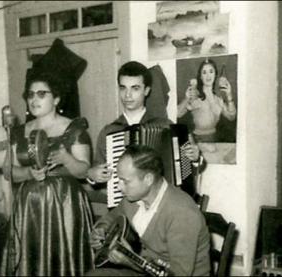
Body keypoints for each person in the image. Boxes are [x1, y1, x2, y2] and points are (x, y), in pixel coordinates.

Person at [0, 72, 94, 276]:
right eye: (30, 94)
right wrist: (28, 173)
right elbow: (9, 172)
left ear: (57, 98)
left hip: (65, 206)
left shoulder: (74, 129)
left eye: (41, 94)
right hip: (29, 209)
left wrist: (66, 159)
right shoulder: (17, 131)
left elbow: (85, 171)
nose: (34, 99)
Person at [86, 145, 211, 276]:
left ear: (148, 179)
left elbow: (178, 273)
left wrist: (130, 261)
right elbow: (113, 215)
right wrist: (101, 229)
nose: (118, 186)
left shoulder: (182, 214)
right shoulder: (133, 199)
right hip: (143, 269)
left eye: (125, 181)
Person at [87, 61, 200, 189]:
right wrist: (92, 176)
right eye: (123, 87)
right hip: (125, 205)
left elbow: (185, 172)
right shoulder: (109, 132)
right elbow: (98, 175)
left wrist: (195, 159)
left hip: (160, 204)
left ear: (146, 91)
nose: (127, 95)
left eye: (135, 88)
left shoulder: (166, 126)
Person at [177, 58, 237, 143]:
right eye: (204, 72)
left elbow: (232, 117)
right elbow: (177, 113)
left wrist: (229, 94)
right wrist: (187, 98)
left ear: (215, 74)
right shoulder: (196, 97)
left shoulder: (218, 100)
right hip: (198, 141)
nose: (208, 76)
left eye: (211, 71)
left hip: (214, 140)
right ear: (200, 77)